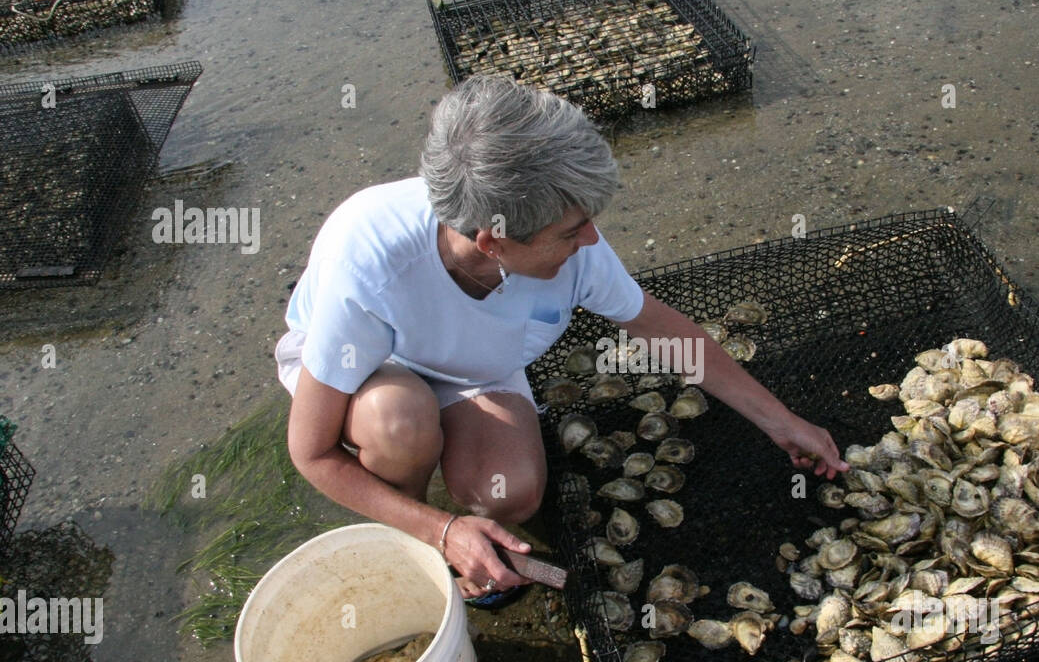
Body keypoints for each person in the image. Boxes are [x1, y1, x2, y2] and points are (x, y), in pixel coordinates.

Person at [276, 74, 847, 607]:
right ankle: (418, 538)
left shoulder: (571, 243)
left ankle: (453, 503)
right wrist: (443, 529)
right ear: (493, 243)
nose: (592, 238)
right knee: (399, 421)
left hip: (476, 365)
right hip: (377, 369)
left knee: (511, 495)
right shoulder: (370, 265)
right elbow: (312, 452)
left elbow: (662, 329)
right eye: (571, 232)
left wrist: (780, 421)